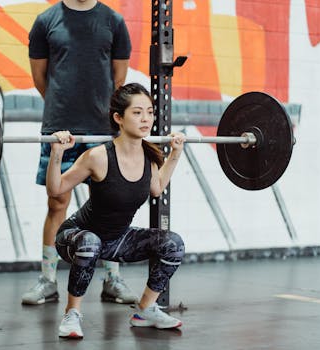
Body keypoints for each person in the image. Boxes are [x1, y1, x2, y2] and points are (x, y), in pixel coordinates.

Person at [47, 83, 186, 339]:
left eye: (150, 112)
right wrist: (57, 153)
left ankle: (145, 309)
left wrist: (175, 154)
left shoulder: (149, 157)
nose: (146, 119)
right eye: (137, 112)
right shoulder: (98, 156)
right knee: (90, 242)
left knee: (172, 244)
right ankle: (72, 313)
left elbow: (156, 188)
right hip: (76, 237)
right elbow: (56, 189)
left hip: (116, 239)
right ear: (118, 118)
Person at [22, 0, 137, 305]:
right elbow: (40, 78)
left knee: (110, 205)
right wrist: (65, 109)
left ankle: (113, 279)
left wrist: (100, 113)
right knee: (57, 202)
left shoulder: (113, 21)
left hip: (103, 128)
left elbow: (119, 79)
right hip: (62, 128)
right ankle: (47, 280)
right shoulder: (46, 21)